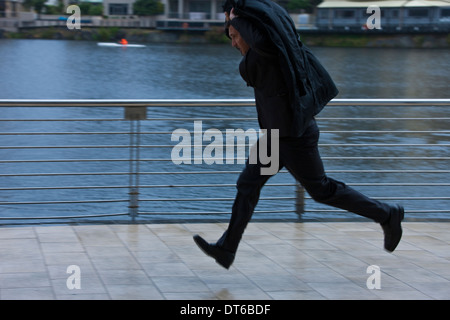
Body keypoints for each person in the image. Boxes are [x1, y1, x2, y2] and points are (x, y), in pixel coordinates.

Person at [193, 1, 404, 269]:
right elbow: (260, 36)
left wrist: (237, 17)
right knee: (248, 185)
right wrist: (235, 21)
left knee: (322, 190)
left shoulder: (272, 52)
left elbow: (264, 38)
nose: (233, 43)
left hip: (294, 136)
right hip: (275, 136)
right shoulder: (260, 58)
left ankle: (387, 214)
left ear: (247, 33)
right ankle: (226, 248)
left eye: (235, 37)